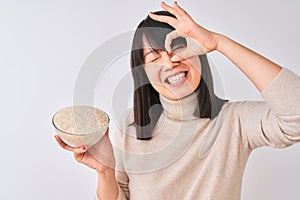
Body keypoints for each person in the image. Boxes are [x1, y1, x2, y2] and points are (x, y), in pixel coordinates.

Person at [55, 2, 300, 199]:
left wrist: (218, 43)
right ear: (143, 73)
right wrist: (105, 170)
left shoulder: (234, 121)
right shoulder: (131, 124)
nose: (170, 61)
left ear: (199, 55)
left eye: (178, 47)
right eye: (154, 55)